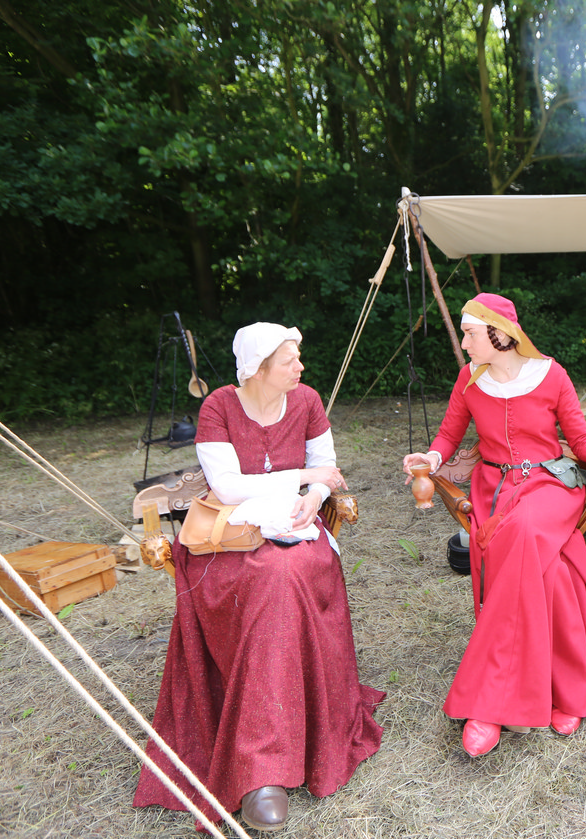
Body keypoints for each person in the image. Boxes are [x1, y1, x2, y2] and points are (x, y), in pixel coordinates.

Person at [134, 323, 383, 833]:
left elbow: (326, 466)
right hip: (231, 541)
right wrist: (303, 478)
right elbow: (227, 489)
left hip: (296, 529)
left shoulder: (307, 400)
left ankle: (265, 766)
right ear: (258, 369)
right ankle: (261, 767)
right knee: (271, 578)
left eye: (298, 357)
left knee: (285, 572)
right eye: (290, 360)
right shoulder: (219, 407)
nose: (300, 366)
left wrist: (313, 499)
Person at [402, 293, 586, 757]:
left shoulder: (551, 375)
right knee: (553, 570)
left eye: (470, 333)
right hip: (494, 489)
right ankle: (566, 689)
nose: (464, 343)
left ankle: (489, 704)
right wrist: (430, 457)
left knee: (526, 531)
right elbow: (449, 434)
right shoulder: (469, 379)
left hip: (549, 486)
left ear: (500, 334)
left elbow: (579, 438)